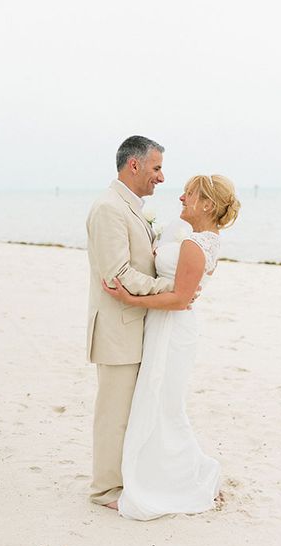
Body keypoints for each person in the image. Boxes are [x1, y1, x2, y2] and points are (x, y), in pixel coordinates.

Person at [102, 174, 241, 520]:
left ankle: (172, 481)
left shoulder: (195, 245)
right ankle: (156, 475)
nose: (181, 198)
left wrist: (129, 298)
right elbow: (177, 285)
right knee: (156, 401)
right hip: (164, 326)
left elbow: (180, 300)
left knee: (164, 405)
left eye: (189, 194)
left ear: (207, 204)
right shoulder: (197, 240)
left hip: (173, 329)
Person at [86, 136, 174, 509]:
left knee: (133, 410)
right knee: (114, 413)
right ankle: (105, 489)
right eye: (156, 168)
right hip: (118, 326)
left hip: (138, 324)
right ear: (134, 165)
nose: (162, 177)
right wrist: (170, 288)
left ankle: (128, 478)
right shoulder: (109, 208)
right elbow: (118, 274)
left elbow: (137, 261)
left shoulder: (130, 207)